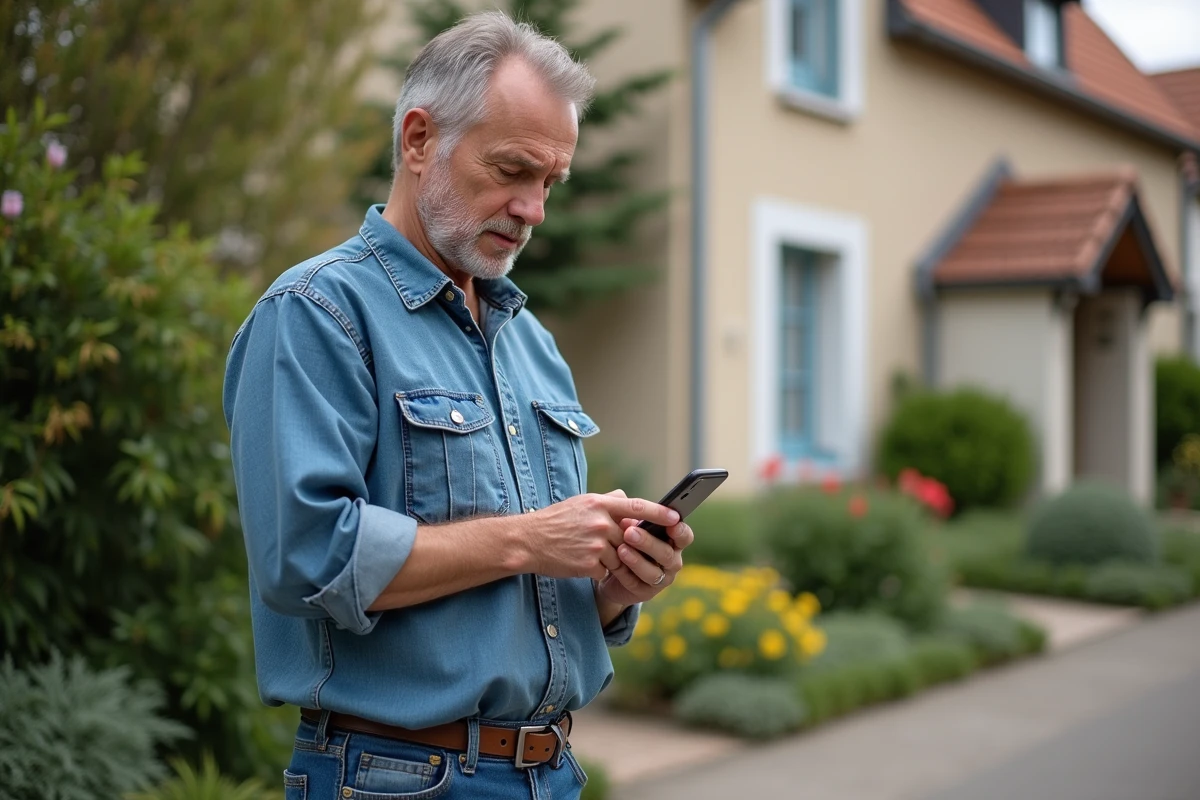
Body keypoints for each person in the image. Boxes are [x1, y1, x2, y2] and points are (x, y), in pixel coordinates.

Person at [222, 10, 693, 799]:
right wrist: (529, 539)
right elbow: (306, 560)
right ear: (417, 140)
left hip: (551, 773)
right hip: (393, 779)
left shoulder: (530, 340)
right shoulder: (314, 313)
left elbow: (531, 586)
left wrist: (611, 589)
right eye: (512, 170)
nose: (534, 208)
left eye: (550, 182)